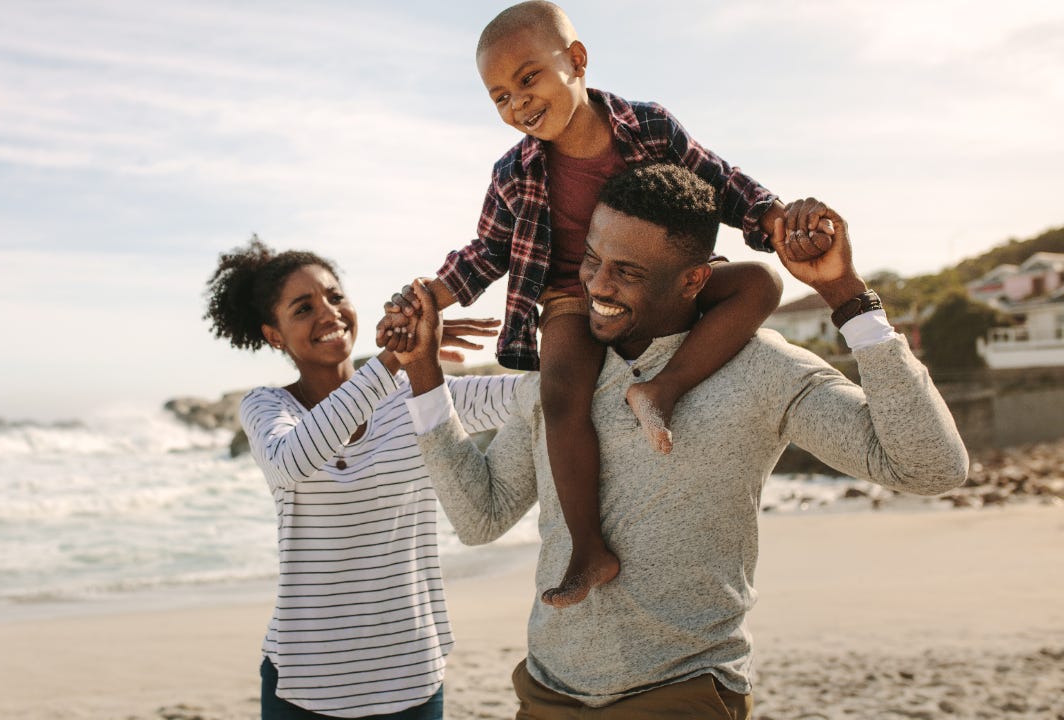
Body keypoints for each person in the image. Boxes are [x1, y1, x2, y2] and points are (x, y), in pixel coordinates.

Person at [396, 163, 969, 717]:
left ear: (695, 278)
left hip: (682, 694)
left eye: (628, 271)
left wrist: (845, 295)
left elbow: (930, 466)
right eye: (592, 260)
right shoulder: (561, 378)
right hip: (549, 693)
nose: (597, 284)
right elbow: (480, 518)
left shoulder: (759, 369)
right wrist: (423, 372)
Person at [380, 0, 832, 608]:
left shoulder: (648, 127)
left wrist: (776, 219)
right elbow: (487, 250)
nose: (517, 104)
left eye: (527, 78)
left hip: (658, 284)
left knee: (761, 286)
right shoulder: (513, 172)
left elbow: (722, 182)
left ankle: (661, 390)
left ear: (575, 60)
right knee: (560, 393)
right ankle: (589, 551)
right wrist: (429, 294)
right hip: (571, 294)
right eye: (499, 97)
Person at [202, 238, 521, 719]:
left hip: (411, 675)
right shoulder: (267, 407)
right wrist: (393, 358)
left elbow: (534, 395)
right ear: (275, 335)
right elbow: (292, 461)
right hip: (306, 683)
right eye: (303, 307)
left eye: (335, 296)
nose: (328, 313)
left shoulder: (419, 391)